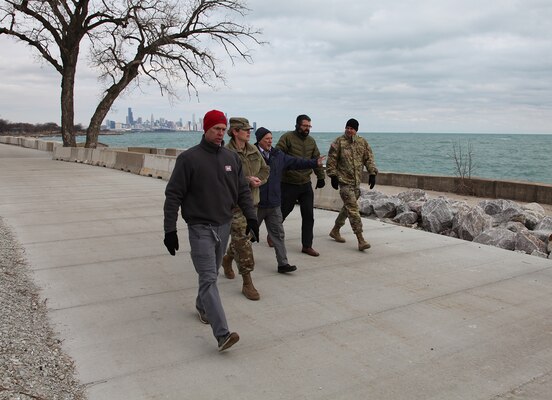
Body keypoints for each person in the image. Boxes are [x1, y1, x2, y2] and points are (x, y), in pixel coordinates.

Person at [163, 110, 259, 352]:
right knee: (208, 277)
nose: (220, 133)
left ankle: (202, 307)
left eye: (223, 128)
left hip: (224, 225)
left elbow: (242, 191)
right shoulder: (188, 159)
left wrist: (252, 218)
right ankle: (222, 334)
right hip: (199, 228)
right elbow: (173, 195)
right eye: (216, 128)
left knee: (211, 275)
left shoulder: (231, 158)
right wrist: (169, 230)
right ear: (205, 129)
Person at [255, 127, 325, 273]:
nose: (269, 141)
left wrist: (314, 163)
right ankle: (230, 257)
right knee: (247, 236)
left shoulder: (277, 155)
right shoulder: (252, 155)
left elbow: (296, 162)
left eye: (271, 138)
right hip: (257, 203)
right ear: (259, 140)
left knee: (279, 235)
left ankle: (283, 264)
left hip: (274, 202)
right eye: (266, 139)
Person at [221, 117, 270, 301]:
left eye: (250, 129)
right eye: (245, 129)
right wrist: (246, 180)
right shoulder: (225, 153)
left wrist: (258, 180)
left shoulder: (254, 150)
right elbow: (224, 178)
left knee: (243, 237)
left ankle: (227, 259)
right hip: (235, 205)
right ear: (235, 131)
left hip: (253, 203)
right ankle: (247, 281)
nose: (249, 132)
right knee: (244, 240)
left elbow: (266, 170)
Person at [276, 114, 325, 257]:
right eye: (304, 126)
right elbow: (278, 156)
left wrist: (321, 177)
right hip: (289, 183)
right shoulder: (287, 138)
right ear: (297, 125)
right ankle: (273, 235)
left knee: (309, 215)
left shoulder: (311, 141)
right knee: (283, 212)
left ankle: (307, 245)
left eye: (309, 126)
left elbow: (316, 159)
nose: (307, 128)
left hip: (305, 183)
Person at [326, 118, 378, 251]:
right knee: (354, 210)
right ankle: (360, 239)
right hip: (344, 182)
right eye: (347, 127)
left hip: (356, 183)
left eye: (352, 128)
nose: (349, 130)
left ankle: (335, 230)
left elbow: (368, 158)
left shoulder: (362, 142)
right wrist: (332, 176)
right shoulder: (339, 142)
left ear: (356, 130)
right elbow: (331, 160)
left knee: (347, 208)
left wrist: (372, 173)